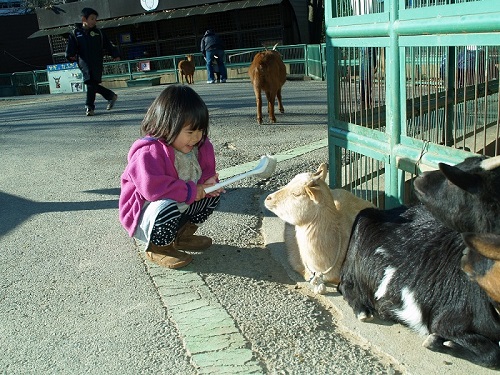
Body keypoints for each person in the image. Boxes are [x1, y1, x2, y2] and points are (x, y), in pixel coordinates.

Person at [119, 85, 224, 269]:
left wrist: (208, 183)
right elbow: (153, 190)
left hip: (180, 201)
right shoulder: (148, 152)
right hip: (148, 213)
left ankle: (181, 235)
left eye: (200, 130)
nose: (196, 137)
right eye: (190, 132)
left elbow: (206, 172)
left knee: (212, 196)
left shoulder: (201, 146)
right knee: (166, 207)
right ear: (167, 127)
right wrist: (193, 190)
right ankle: (158, 247)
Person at [65, 7, 120, 116]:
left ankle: (107, 97)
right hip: (84, 63)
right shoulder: (75, 33)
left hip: (97, 63)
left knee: (92, 84)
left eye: (95, 19)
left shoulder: (98, 33)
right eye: (92, 18)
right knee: (91, 84)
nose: (94, 21)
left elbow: (108, 45)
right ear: (84, 19)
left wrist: (115, 54)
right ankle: (91, 106)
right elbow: (70, 48)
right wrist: (69, 56)